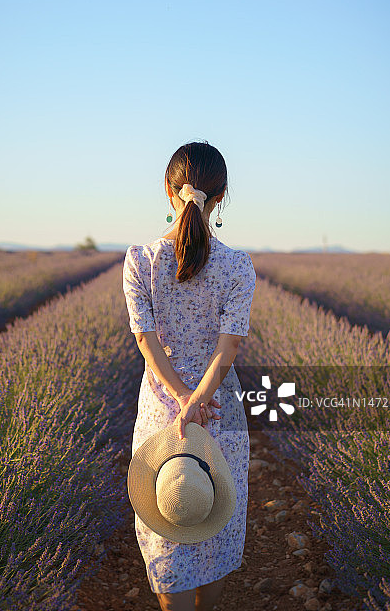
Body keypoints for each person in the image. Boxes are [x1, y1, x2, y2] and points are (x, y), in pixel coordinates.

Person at [122, 140, 257, 611]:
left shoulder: (141, 260)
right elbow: (229, 348)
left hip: (163, 411)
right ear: (221, 198)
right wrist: (199, 398)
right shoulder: (237, 266)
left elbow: (146, 341)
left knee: (168, 516)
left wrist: (181, 397)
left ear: (168, 190)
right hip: (219, 411)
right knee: (215, 520)